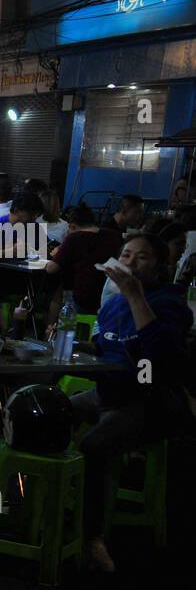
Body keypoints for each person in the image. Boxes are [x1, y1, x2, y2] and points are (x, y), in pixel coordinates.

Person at [69, 233, 194, 572]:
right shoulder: (112, 305)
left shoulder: (171, 304)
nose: (131, 262)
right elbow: (105, 346)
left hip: (150, 401)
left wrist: (135, 295)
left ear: (160, 266)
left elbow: (161, 359)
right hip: (108, 393)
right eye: (126, 255)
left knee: (94, 444)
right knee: (47, 410)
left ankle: (93, 537)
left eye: (142, 257)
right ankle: (45, 508)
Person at [44, 205, 123, 319]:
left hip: (81, 296)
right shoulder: (114, 235)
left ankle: (50, 332)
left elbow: (52, 269)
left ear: (72, 226)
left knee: (55, 295)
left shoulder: (74, 238)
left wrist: (56, 255)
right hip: (107, 295)